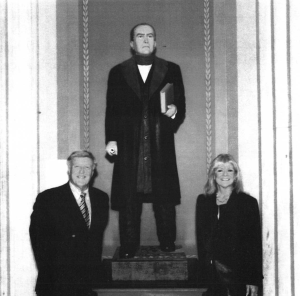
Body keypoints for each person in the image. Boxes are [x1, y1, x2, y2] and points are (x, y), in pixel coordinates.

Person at [105, 23, 186, 258]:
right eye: (140, 36)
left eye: (150, 36)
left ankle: (167, 242)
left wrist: (174, 111)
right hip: (130, 143)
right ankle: (129, 246)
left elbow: (180, 104)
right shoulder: (118, 72)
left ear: (156, 42)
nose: (145, 39)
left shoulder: (172, 69)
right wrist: (111, 139)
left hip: (160, 143)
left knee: (164, 197)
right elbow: (112, 110)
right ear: (132, 44)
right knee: (129, 197)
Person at [30, 150, 109, 296]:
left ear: (93, 170)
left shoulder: (101, 199)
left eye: (87, 167)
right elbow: (39, 243)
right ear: (69, 168)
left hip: (89, 285)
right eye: (77, 167)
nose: (82, 171)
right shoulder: (48, 199)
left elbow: (95, 240)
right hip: (56, 284)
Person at [196, 154, 263, 296]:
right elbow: (201, 241)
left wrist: (253, 279)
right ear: (213, 175)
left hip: (239, 274)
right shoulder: (203, 201)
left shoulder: (248, 203)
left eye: (230, 170)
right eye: (220, 170)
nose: (225, 174)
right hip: (212, 275)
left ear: (236, 175)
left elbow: (254, 244)